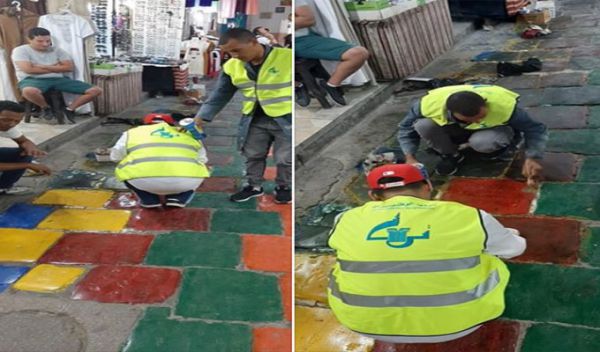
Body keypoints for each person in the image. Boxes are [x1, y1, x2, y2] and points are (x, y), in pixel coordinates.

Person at [327, 163, 526, 344]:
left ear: (373, 196)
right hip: (462, 323)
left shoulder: (345, 219)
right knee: (489, 257)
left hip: (362, 324)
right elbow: (515, 249)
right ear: (427, 187)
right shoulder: (469, 215)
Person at [194, 28, 292, 204]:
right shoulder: (232, 66)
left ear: (253, 42)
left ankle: (284, 187)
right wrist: (200, 119)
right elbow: (220, 95)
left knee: (285, 158)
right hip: (254, 118)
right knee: (252, 154)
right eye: (229, 52)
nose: (234, 55)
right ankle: (253, 186)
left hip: (286, 118)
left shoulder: (287, 57)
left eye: (237, 50)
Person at [397, 84, 548, 184]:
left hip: (492, 131)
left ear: (484, 103)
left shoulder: (502, 105)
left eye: (482, 115)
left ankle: (499, 148)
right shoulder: (426, 105)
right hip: (455, 129)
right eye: (472, 119)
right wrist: (409, 157)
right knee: (423, 125)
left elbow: (534, 128)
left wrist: (533, 156)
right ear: (453, 113)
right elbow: (405, 128)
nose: (479, 120)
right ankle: (451, 154)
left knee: (483, 143)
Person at [110, 113, 210, 208]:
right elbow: (202, 159)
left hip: (142, 181)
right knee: (201, 169)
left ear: (144, 124)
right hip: (186, 181)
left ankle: (148, 199)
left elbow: (115, 157)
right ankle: (179, 197)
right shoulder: (190, 133)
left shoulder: (131, 133)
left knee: (123, 168)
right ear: (171, 124)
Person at [11, 27, 102, 122]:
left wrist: (43, 66)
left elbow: (69, 67)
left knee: (95, 90)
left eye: (48, 41)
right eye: (40, 41)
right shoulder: (20, 50)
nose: (45, 44)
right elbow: (28, 69)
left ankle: (69, 109)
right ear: (29, 39)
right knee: (29, 91)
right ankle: (46, 108)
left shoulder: (57, 50)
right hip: (32, 79)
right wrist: (56, 68)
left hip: (58, 79)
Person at [295, 0, 369, 105]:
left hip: (301, 40)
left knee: (359, 53)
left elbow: (308, 19)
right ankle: (298, 86)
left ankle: (331, 84)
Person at [0, 101, 52, 194]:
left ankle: (3, 187)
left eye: (17, 121)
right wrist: (28, 165)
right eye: (5, 120)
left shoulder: (8, 125)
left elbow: (24, 141)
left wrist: (32, 149)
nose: (12, 124)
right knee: (25, 161)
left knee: (24, 154)